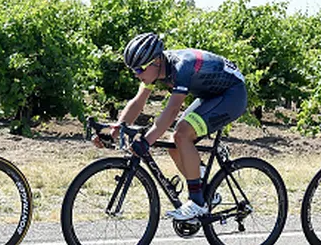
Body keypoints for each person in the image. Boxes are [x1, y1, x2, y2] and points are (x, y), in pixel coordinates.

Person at [98, 32, 247, 220]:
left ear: (156, 61)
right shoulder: (155, 69)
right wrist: (116, 130)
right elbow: (138, 102)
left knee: (182, 134)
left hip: (233, 95)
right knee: (174, 144)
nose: (136, 74)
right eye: (133, 69)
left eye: (139, 69)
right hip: (211, 95)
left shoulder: (181, 67)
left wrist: (147, 141)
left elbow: (172, 110)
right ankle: (206, 190)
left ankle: (198, 202)